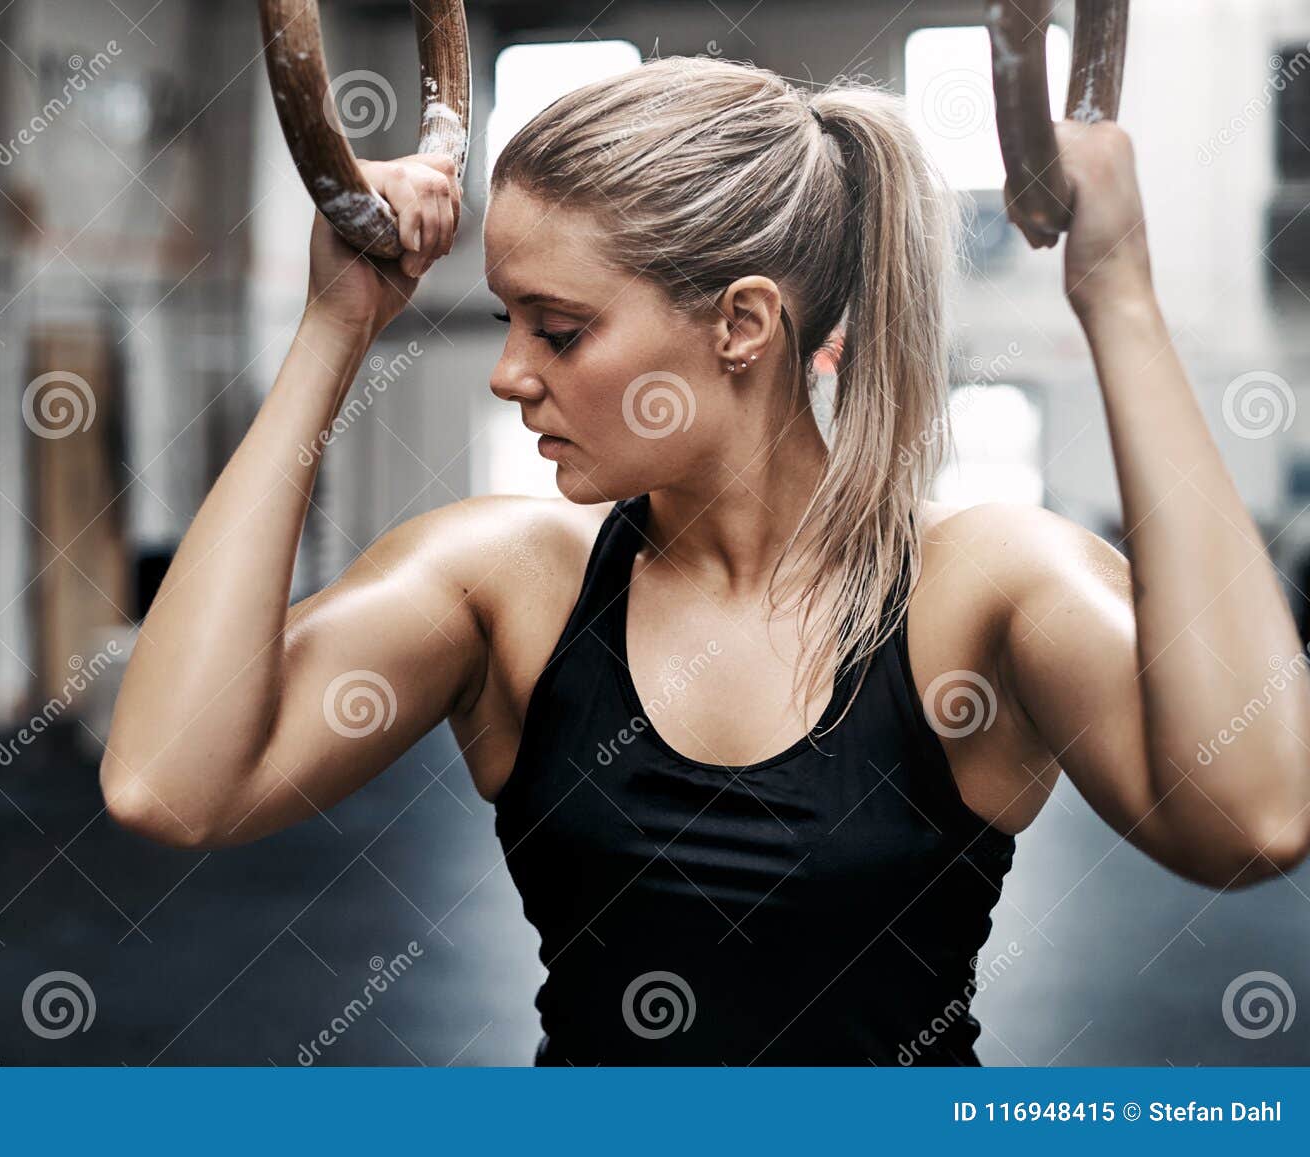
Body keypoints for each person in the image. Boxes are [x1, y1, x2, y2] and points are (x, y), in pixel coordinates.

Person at [99, 57, 1310, 1065]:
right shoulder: (508, 582)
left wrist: (1121, 301)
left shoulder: (975, 590)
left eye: (558, 329)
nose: (509, 371)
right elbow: (169, 781)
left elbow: (1255, 812)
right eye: (510, 318)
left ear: (740, 324)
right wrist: (334, 324)